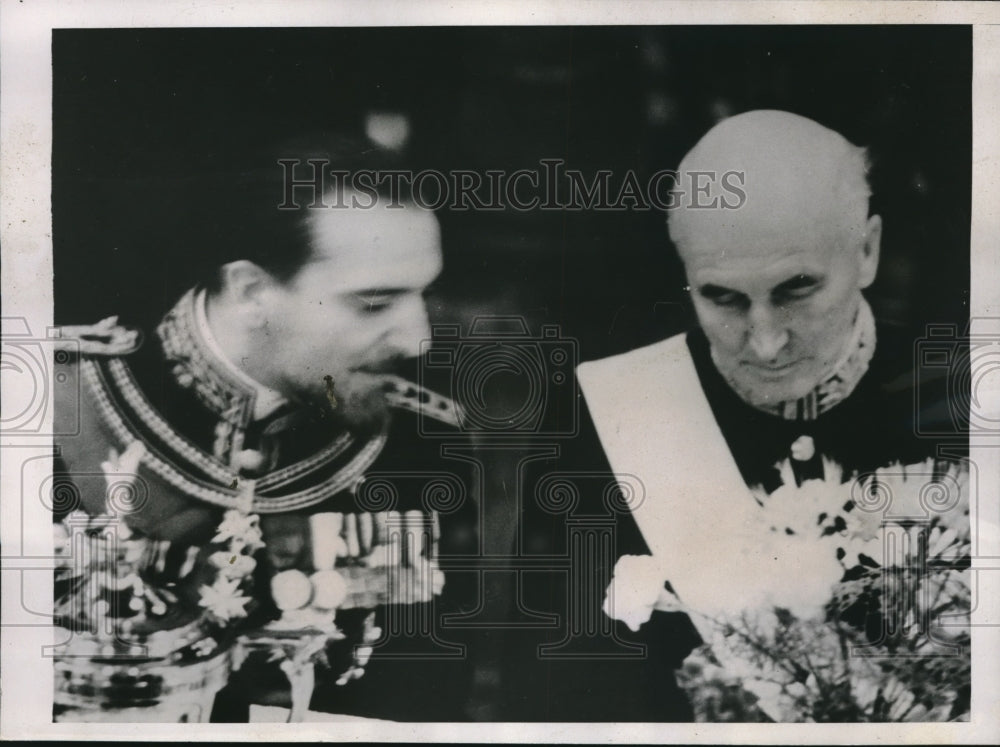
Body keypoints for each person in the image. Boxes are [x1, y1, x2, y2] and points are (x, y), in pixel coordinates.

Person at [504, 110, 969, 721]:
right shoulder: (608, 417)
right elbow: (560, 691)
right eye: (722, 297)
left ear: (868, 250)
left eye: (796, 288)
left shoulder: (962, 404)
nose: (765, 341)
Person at [50, 135, 480, 722]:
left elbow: (418, 704)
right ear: (252, 292)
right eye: (375, 304)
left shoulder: (418, 438)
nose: (418, 338)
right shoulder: (56, 409)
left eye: (423, 294)